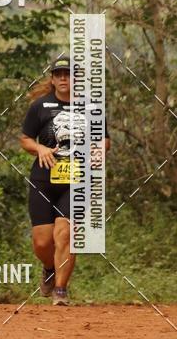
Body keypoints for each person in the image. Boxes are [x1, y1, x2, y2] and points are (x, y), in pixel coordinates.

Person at [20, 54, 110, 306]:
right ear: (52, 79)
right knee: (42, 241)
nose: (64, 79)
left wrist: (98, 150)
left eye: (68, 74)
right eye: (59, 74)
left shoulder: (92, 107)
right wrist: (40, 149)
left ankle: (60, 290)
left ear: (76, 79)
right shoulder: (40, 106)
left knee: (65, 233)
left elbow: (104, 138)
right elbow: (25, 138)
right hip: (44, 178)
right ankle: (49, 267)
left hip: (77, 180)